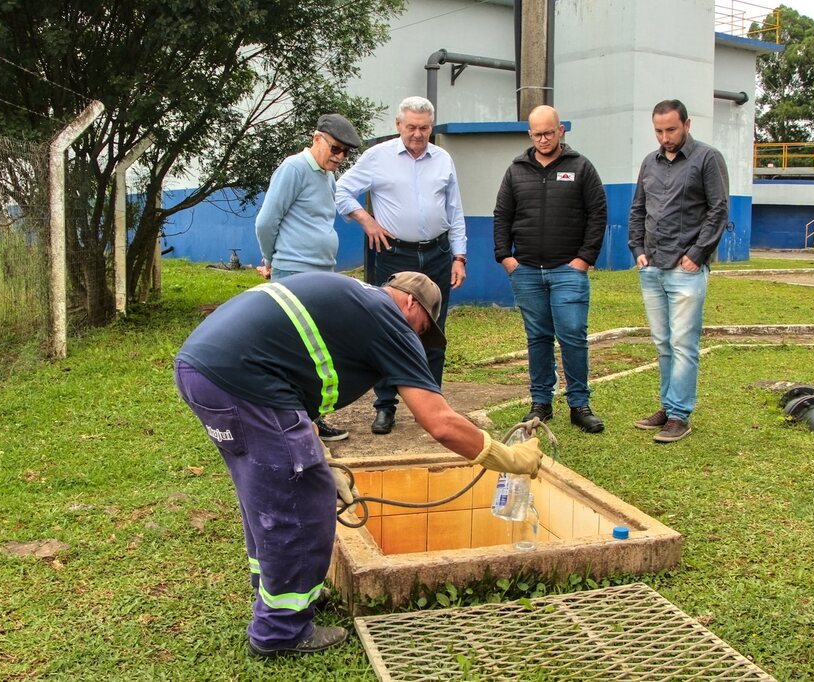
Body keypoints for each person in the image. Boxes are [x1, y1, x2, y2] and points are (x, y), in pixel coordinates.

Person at [174, 271, 543, 657]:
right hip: (243, 382)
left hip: (202, 371)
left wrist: (320, 459)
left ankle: (287, 598)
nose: (418, 338)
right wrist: (511, 459)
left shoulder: (354, 299)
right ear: (412, 304)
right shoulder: (389, 319)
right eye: (422, 328)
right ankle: (279, 632)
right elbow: (440, 422)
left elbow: (293, 379)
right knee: (299, 504)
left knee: (267, 492)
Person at [335, 96, 467, 436]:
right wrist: (367, 221)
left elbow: (455, 211)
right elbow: (342, 191)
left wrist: (459, 257)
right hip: (394, 255)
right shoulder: (377, 157)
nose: (418, 134)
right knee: (386, 330)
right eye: (411, 127)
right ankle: (385, 406)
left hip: (437, 253)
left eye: (424, 128)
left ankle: (433, 406)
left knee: (433, 331)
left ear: (431, 127)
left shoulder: (443, 159)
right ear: (398, 125)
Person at [493, 105, 607, 434]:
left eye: (548, 132)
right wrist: (506, 257)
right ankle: (541, 403)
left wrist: (583, 259)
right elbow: (502, 216)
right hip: (526, 270)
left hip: (568, 270)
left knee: (572, 336)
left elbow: (597, 214)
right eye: (536, 134)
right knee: (538, 338)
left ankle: (579, 404)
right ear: (529, 135)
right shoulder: (516, 170)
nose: (543, 139)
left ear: (561, 131)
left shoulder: (581, 167)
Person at [255, 113, 361, 442]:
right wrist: (272, 260)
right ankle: (296, 423)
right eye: (335, 148)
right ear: (317, 139)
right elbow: (265, 221)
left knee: (319, 348)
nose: (340, 157)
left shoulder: (328, 175)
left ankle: (313, 419)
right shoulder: (294, 168)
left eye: (346, 152)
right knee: (296, 349)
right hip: (294, 271)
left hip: (321, 270)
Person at [628, 99, 729, 443]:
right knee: (663, 343)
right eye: (658, 130)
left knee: (684, 343)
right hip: (652, 267)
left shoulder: (707, 158)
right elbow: (638, 208)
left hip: (685, 268)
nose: (665, 137)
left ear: (687, 124)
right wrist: (637, 249)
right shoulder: (649, 162)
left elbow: (718, 210)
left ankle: (680, 415)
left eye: (671, 129)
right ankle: (668, 406)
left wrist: (697, 254)